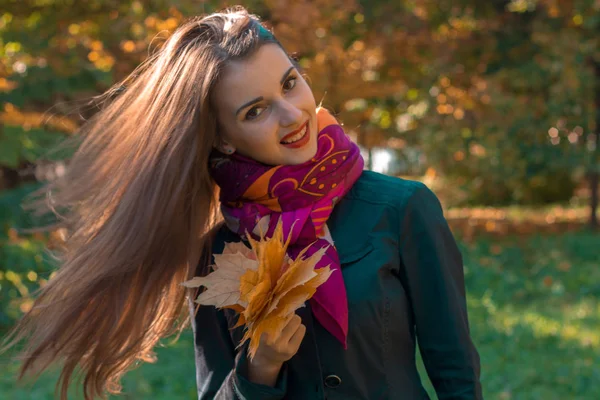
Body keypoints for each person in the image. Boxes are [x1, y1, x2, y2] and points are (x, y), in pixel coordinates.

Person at [2, 6, 482, 400]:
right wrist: (261, 367)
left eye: (290, 83)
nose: (292, 115)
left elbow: (456, 371)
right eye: (255, 111)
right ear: (223, 139)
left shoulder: (402, 208)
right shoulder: (217, 251)